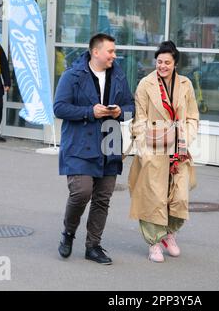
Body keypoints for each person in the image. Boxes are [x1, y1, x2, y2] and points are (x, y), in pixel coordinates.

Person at [54, 33, 134, 265]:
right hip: (80, 145)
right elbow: (59, 108)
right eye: (110, 51)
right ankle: (68, 233)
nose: (114, 56)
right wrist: (90, 112)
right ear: (95, 52)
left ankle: (93, 246)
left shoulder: (118, 75)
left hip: (110, 144)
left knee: (102, 198)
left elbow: (132, 107)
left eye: (114, 51)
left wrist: (121, 112)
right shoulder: (72, 75)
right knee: (81, 193)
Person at [128, 40, 199, 263]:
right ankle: (154, 243)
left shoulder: (186, 84)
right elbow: (139, 119)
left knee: (179, 196)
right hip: (154, 148)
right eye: (159, 62)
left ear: (175, 63)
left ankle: (170, 234)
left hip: (179, 149)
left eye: (167, 62)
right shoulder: (145, 85)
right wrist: (143, 150)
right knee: (153, 198)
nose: (162, 66)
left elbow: (192, 117)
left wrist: (185, 139)